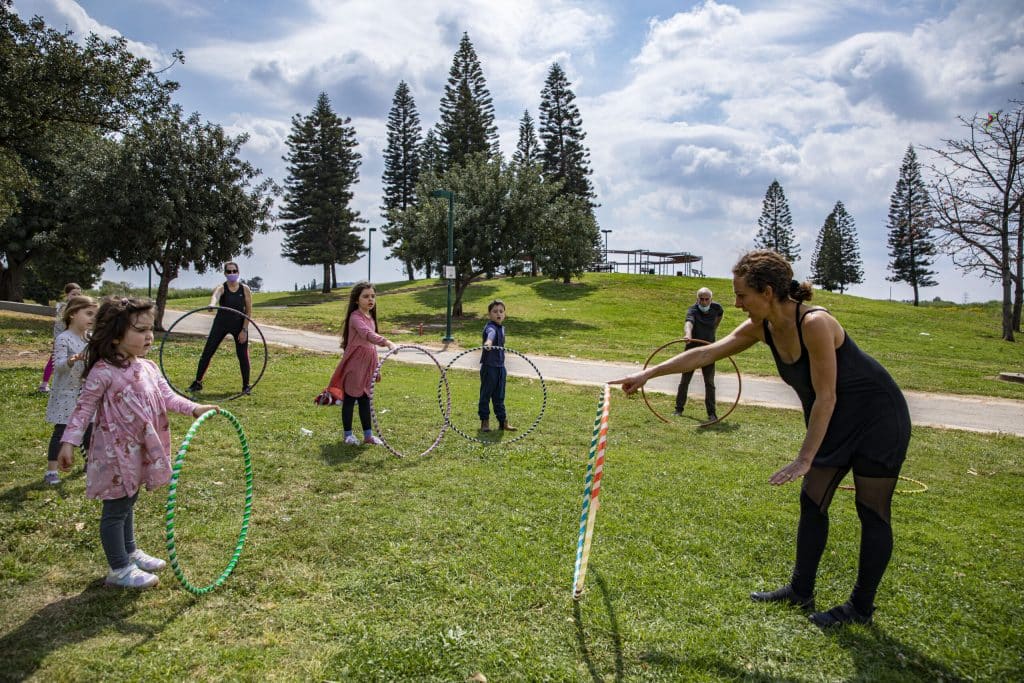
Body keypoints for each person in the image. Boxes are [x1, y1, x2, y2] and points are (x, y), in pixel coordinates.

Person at [611, 250, 910, 627]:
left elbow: (827, 396)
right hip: (834, 421)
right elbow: (707, 354)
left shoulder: (816, 324)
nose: (735, 304)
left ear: (767, 292)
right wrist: (647, 375)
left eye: (742, 296)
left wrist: (804, 458)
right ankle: (801, 591)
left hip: (878, 420)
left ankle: (860, 608)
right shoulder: (762, 327)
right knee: (812, 501)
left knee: (872, 511)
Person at [57, 297, 217, 589]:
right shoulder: (103, 371)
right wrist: (68, 442)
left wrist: (194, 409)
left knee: (128, 501)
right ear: (117, 335)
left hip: (138, 450)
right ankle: (119, 569)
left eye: (149, 329)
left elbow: (168, 398)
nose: (148, 336)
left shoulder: (148, 367)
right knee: (116, 508)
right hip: (114, 453)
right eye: (140, 330)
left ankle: (130, 551)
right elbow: (83, 409)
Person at [328, 282, 396, 446]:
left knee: (365, 399)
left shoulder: (370, 318)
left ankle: (368, 435)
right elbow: (367, 335)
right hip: (354, 365)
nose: (370, 299)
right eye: (365, 296)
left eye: (373, 296)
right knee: (350, 399)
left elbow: (371, 346)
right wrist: (387, 342)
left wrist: (376, 367)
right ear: (357, 300)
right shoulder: (355, 317)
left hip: (367, 366)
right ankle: (348, 435)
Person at [43, 295, 97, 484]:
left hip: (85, 394)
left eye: (94, 315)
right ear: (73, 314)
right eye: (88, 313)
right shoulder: (63, 338)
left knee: (89, 429)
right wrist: (72, 360)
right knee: (62, 431)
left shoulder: (89, 339)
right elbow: (57, 366)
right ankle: (51, 471)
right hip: (66, 394)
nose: (92, 318)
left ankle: (90, 463)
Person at [188, 262, 253, 395]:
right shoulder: (222, 287)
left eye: (234, 271)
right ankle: (197, 383)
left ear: (238, 272)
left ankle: (246, 386)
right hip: (221, 324)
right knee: (207, 352)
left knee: (243, 356)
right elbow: (215, 296)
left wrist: (244, 330)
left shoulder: (244, 289)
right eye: (229, 272)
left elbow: (249, 311)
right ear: (225, 274)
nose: (232, 274)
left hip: (239, 325)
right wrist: (212, 304)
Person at [673, 287, 724, 422]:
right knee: (685, 381)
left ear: (711, 299)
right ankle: (678, 409)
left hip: (708, 351)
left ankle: (712, 414)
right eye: (701, 299)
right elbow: (688, 323)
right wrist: (688, 334)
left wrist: (713, 329)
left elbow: (720, 315)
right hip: (692, 350)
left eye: (707, 299)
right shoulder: (693, 310)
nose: (704, 302)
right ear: (697, 299)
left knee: (709, 383)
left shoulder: (717, 308)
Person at [479, 299, 515, 432]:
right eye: (495, 311)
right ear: (489, 314)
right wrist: (488, 343)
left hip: (501, 368)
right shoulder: (490, 327)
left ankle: (503, 422)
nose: (498, 314)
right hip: (489, 367)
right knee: (486, 395)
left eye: (501, 311)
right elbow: (490, 335)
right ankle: (484, 422)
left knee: (499, 396)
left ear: (504, 314)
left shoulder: (502, 328)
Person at [39, 282, 82, 392]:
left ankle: (72, 384)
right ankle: (44, 384)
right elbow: (62, 325)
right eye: (73, 294)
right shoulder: (63, 308)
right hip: (61, 339)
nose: (76, 297)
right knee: (54, 360)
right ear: (67, 295)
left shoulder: (79, 308)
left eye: (78, 294)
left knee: (73, 361)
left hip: (73, 339)